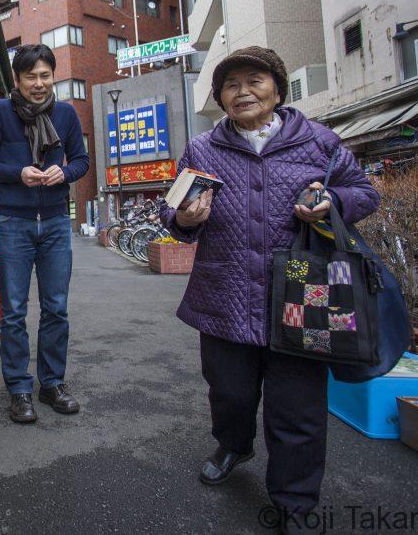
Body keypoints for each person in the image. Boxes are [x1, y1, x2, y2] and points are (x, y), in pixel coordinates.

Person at [159, 47, 380, 531]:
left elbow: (364, 193)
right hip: (224, 294)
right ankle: (234, 445)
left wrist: (332, 201)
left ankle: (295, 503)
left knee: (297, 408)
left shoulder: (320, 143)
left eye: (254, 81)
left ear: (277, 89)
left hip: (302, 296)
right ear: (219, 98)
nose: (242, 91)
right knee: (230, 392)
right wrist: (182, 218)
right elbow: (172, 211)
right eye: (231, 84)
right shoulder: (203, 150)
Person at [0, 44, 90, 423]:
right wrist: (17, 172)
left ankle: (52, 382)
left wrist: (65, 173)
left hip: (57, 220)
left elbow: (82, 161)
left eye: (45, 75)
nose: (38, 84)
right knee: (14, 311)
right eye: (31, 77)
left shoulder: (67, 114)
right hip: (14, 223)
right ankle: (20, 389)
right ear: (17, 79)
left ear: (52, 76)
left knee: (56, 307)